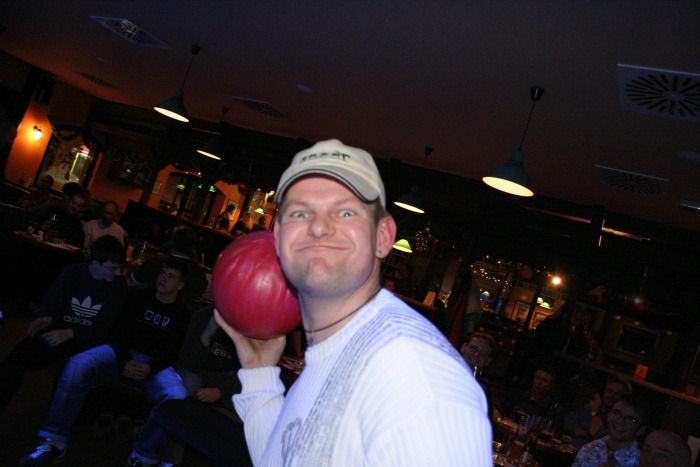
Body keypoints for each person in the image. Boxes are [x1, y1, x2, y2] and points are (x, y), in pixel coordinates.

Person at [215, 139, 492, 466]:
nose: (319, 227)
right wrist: (260, 374)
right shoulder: (333, 347)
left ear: (383, 237)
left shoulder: (416, 378)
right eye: (300, 212)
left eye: (345, 212)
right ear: (277, 237)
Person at [18, 259, 193, 465]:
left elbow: (173, 350)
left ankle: (143, 455)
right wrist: (125, 360)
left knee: (176, 396)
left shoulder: (183, 314)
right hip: (121, 352)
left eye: (171, 276)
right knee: (77, 364)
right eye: (163, 273)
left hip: (153, 364)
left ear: (180, 285)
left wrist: (150, 367)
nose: (163, 278)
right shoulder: (138, 296)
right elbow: (117, 331)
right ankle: (54, 439)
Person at [0, 235, 127, 412]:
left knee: (71, 373)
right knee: (16, 360)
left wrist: (71, 332)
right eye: (113, 268)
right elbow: (53, 301)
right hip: (59, 330)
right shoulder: (73, 273)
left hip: (88, 340)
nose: (118, 273)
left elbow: (104, 327)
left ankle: (59, 415)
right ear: (95, 263)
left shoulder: (118, 286)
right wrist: (46, 317)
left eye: (119, 268)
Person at [127, 307, 249, 467]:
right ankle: (167, 459)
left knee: (248, 411)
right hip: (197, 372)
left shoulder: (250, 323)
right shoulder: (204, 315)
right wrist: (207, 335)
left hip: (229, 381)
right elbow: (188, 362)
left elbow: (249, 371)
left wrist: (220, 391)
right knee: (182, 393)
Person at [130, 226, 208, 301]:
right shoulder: (200, 274)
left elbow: (133, 282)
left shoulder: (156, 262)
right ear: (193, 247)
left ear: (171, 241)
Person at [572, 395, 647, 467]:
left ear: (641, 430)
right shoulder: (590, 448)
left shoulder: (642, 461)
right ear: (608, 414)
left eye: (630, 419)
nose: (620, 421)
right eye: (617, 413)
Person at [563, 377, 632, 447]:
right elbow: (567, 422)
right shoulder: (590, 407)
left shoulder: (620, 420)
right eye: (609, 391)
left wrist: (595, 412)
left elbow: (601, 440)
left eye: (617, 394)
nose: (611, 395)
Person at [26, 182, 88, 247]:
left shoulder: (76, 223)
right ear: (68, 200)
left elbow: (79, 243)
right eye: (73, 203)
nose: (74, 207)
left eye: (78, 206)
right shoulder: (53, 210)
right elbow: (34, 225)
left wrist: (64, 241)